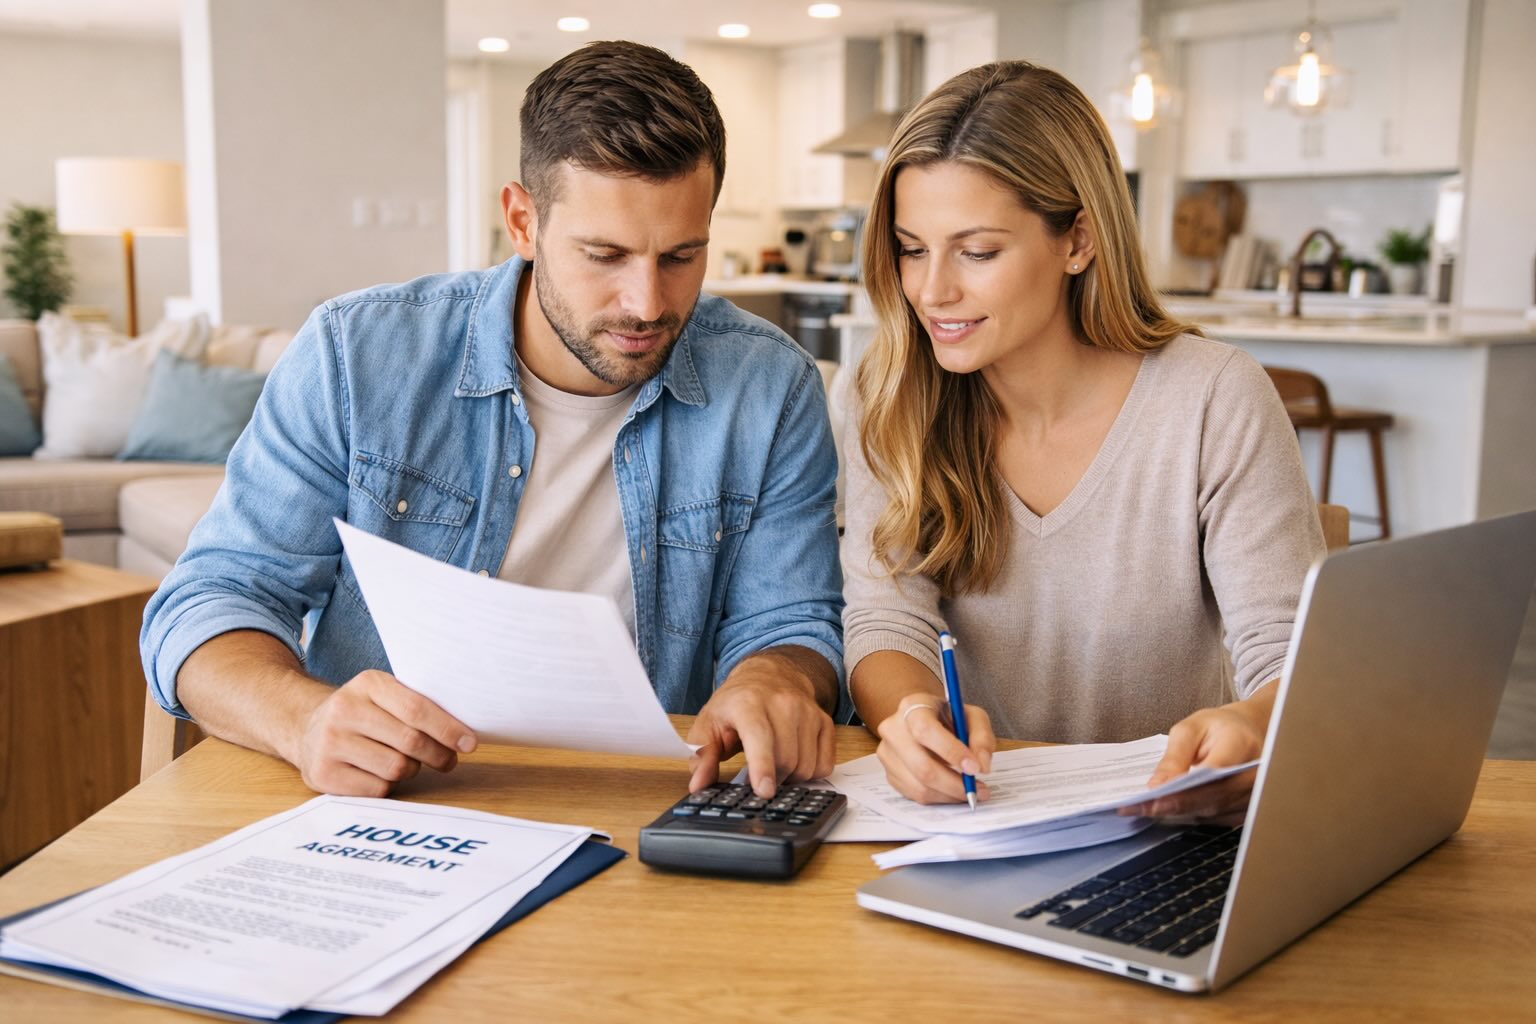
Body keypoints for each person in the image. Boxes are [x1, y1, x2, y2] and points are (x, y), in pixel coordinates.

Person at [142, 41, 847, 801]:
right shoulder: (359, 355)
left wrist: (774, 675)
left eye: (681, 255)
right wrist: (303, 721)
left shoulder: (771, 386)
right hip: (395, 806)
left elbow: (793, 620)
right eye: (604, 254)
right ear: (521, 220)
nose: (647, 302)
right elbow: (210, 600)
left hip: (642, 805)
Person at [841, 61, 1324, 822]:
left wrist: (1256, 725)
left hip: (1164, 829)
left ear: (1079, 241)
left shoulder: (1212, 399)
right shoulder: (887, 394)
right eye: (911, 247)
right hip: (970, 825)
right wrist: (908, 716)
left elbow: (1287, 651)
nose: (932, 291)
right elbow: (885, 617)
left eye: (977, 251)